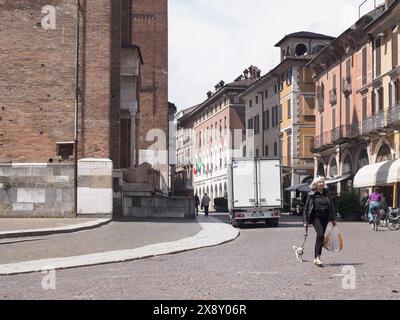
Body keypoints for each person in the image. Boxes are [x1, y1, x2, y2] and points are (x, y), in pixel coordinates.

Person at [303, 176, 337, 267]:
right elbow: (306, 207)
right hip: (315, 217)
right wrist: (305, 221)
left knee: (321, 237)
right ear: (315, 184)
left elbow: (331, 206)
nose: (321, 184)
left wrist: (333, 219)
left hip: (325, 217)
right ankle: (317, 257)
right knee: (321, 234)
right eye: (319, 182)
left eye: (322, 182)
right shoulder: (312, 194)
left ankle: (317, 257)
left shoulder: (327, 193)